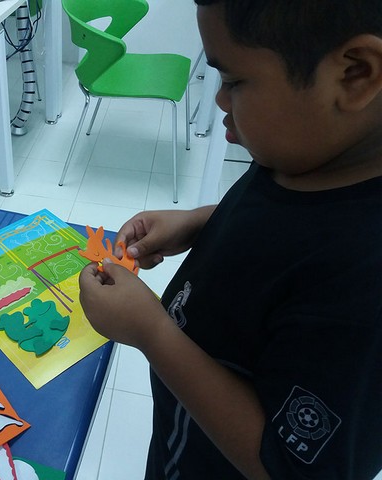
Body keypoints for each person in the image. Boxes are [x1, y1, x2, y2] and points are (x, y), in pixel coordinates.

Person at [78, 0, 382, 478]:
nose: (220, 100)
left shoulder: (365, 286)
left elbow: (288, 467)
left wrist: (151, 331)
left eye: (234, 81)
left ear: (356, 74)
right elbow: (284, 218)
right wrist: (200, 222)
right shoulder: (308, 157)